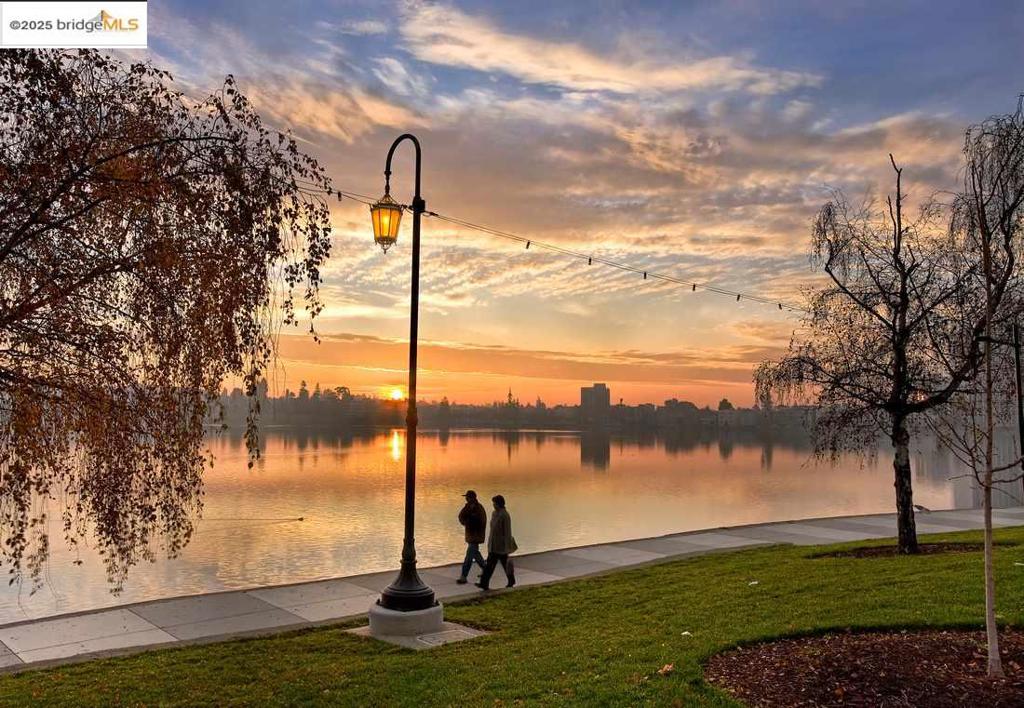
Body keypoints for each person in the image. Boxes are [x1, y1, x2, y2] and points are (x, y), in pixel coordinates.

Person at [476, 494, 517, 590]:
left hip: (501, 547)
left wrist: (507, 548)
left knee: (498, 565)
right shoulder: (494, 513)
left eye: (494, 503)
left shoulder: (505, 515)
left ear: (499, 504)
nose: (493, 505)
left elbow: (507, 532)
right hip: (493, 546)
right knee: (490, 566)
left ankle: (509, 580)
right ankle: (484, 583)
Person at [456, 490, 487, 584]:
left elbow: (482, 521)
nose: (466, 498)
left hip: (476, 536)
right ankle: (486, 569)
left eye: (467, 497)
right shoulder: (467, 507)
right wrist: (465, 523)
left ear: (472, 498)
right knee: (475, 554)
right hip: (470, 535)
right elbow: (460, 516)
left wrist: (471, 521)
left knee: (469, 556)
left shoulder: (479, 508)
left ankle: (463, 576)